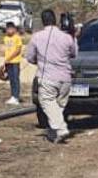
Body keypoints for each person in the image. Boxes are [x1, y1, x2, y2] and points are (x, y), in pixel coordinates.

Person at [24, 8, 77, 143]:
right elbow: (74, 54)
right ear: (55, 20)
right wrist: (74, 35)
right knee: (57, 107)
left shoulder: (37, 37)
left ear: (43, 22)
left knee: (46, 101)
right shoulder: (67, 37)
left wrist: (39, 61)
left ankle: (61, 128)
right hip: (65, 79)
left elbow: (29, 57)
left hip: (47, 77)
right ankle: (55, 134)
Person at [2, 21, 24, 105]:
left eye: (11, 28)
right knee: (11, 79)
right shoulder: (5, 38)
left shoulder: (17, 37)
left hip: (15, 62)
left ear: (14, 29)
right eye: (7, 29)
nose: (9, 30)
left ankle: (16, 97)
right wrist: (5, 60)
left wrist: (10, 58)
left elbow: (18, 50)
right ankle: (12, 96)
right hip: (8, 62)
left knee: (15, 79)